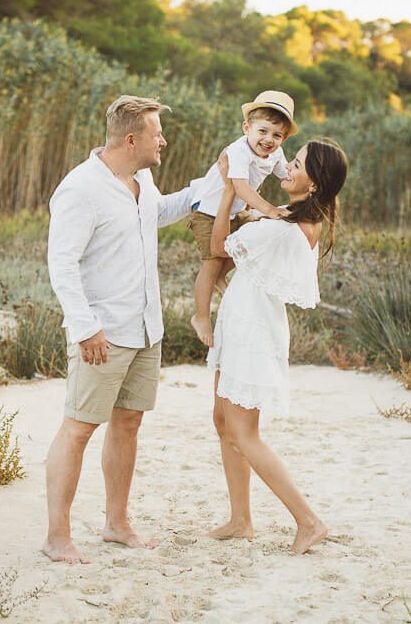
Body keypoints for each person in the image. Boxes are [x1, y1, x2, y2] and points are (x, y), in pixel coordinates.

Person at [45, 95, 195, 564]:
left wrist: (211, 183)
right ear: (132, 139)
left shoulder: (142, 179)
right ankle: (57, 536)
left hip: (146, 328)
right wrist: (85, 328)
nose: (163, 141)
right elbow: (61, 263)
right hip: (102, 334)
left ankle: (116, 523)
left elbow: (158, 213)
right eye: (156, 133)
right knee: (79, 429)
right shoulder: (80, 189)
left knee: (128, 424)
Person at [204, 138, 348, 554]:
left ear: (315, 184)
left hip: (253, 330)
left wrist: (232, 187)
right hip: (242, 322)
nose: (286, 169)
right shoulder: (292, 220)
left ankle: (308, 520)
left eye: (297, 165)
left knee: (244, 432)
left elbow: (217, 249)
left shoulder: (282, 227)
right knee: (222, 420)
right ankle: (240, 519)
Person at [186, 91, 298, 348]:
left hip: (235, 211)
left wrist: (306, 182)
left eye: (277, 135)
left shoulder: (276, 154)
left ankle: (220, 280)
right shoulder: (238, 151)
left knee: (246, 246)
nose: (269, 140)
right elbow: (241, 187)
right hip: (208, 211)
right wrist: (270, 210)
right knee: (212, 261)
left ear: (284, 138)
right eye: (263, 131)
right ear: (247, 128)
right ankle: (200, 316)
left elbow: (285, 177)